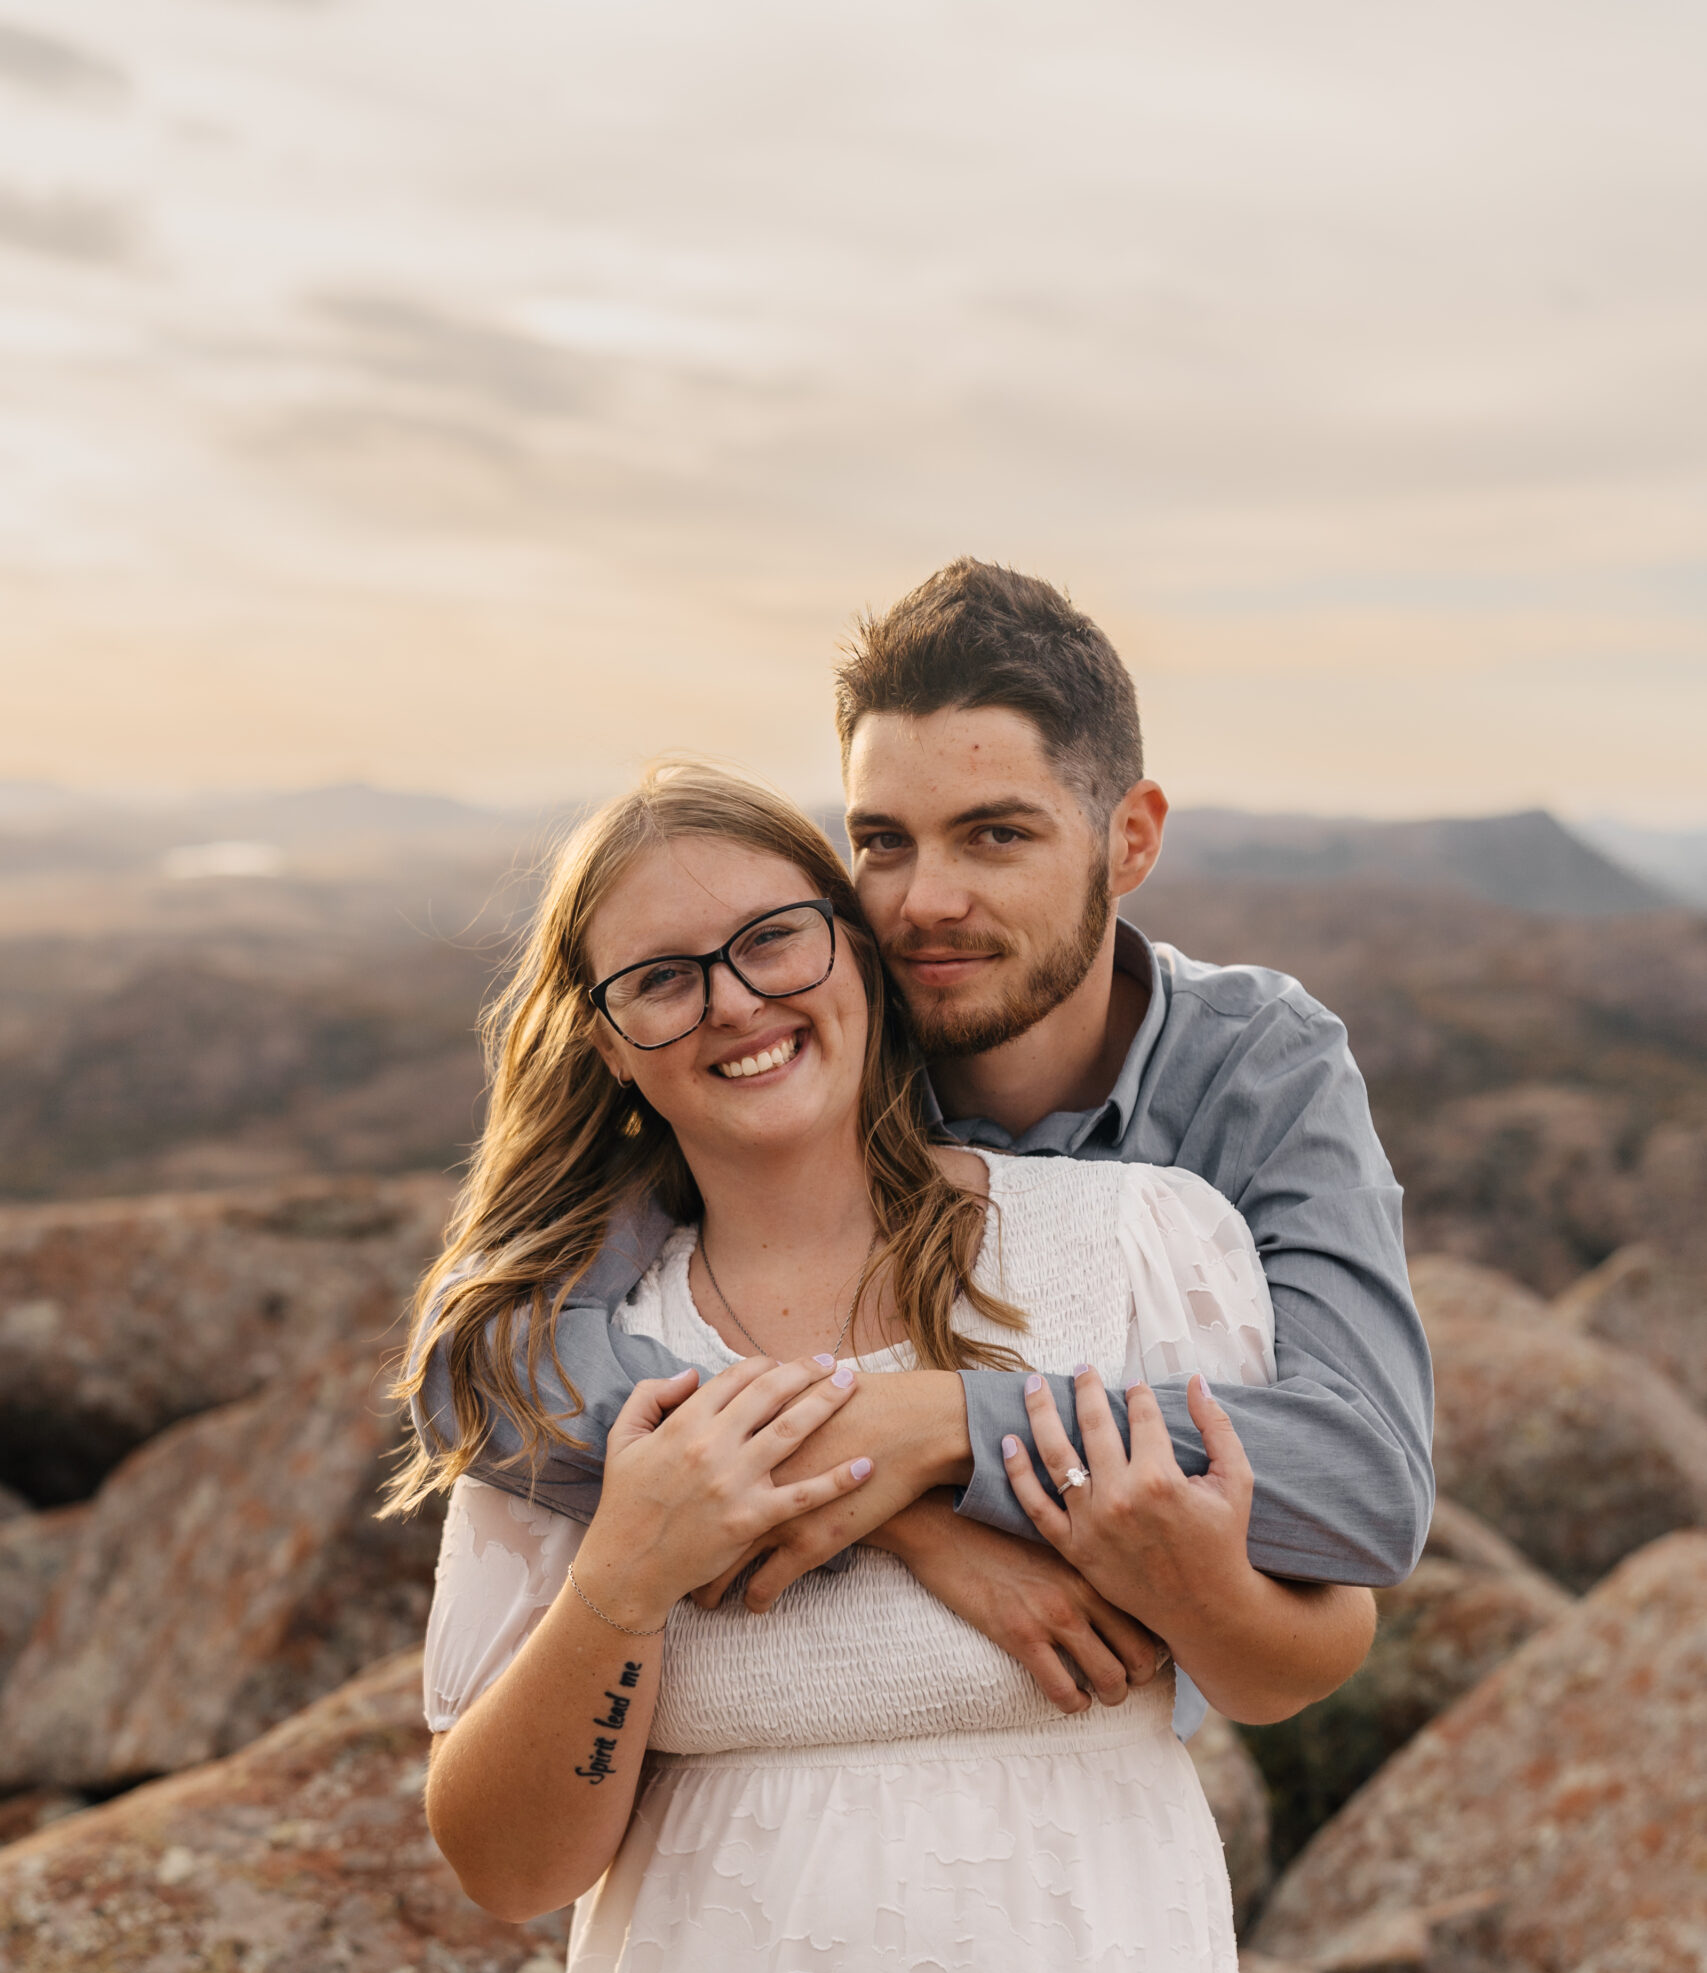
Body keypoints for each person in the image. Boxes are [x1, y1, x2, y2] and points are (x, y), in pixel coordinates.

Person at [306, 761, 1376, 1973]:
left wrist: (1183, 1579)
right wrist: (624, 1586)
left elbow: (1298, 1661)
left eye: (770, 939)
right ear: (609, 1041)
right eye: (663, 977)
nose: (731, 999)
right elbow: (503, 1860)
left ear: (858, 960)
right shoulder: (577, 1365)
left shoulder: (1127, 1255)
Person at [452, 561, 1434, 1716]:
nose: (924, 904)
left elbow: (1361, 1478)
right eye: (884, 842)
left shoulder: (1257, 1066)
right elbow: (495, 1355)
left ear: (1130, 840)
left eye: (994, 836)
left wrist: (944, 1422)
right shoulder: (787, 1046)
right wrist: (907, 1506)